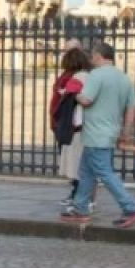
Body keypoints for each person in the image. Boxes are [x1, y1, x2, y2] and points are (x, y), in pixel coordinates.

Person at [60, 41, 135, 228]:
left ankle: (131, 209)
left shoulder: (96, 75)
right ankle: (80, 208)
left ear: (99, 56)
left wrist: (72, 93)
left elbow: (87, 100)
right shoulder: (124, 78)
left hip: (95, 132)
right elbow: (131, 107)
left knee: (105, 173)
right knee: (86, 172)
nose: (91, 60)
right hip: (109, 132)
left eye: (92, 56)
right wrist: (126, 131)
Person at [50, 47, 90, 212]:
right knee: (75, 163)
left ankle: (79, 199)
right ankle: (78, 197)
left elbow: (70, 95)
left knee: (75, 164)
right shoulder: (77, 76)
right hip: (71, 125)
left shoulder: (74, 77)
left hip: (72, 126)